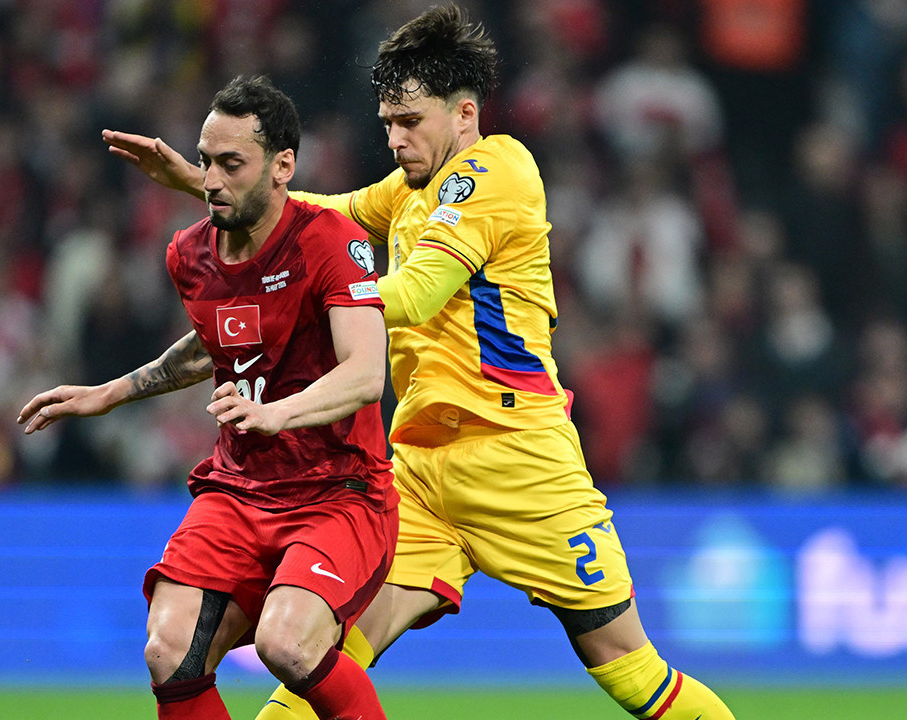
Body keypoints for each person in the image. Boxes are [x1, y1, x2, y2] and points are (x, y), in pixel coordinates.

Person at [102, 5, 736, 719]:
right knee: (316, 653)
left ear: (464, 113)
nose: (396, 138)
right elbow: (311, 210)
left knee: (628, 672)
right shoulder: (406, 193)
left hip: (518, 459)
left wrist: (303, 296)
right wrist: (204, 184)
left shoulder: (496, 170)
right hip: (418, 472)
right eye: (387, 123)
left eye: (410, 121)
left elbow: (417, 289)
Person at [19, 75, 398, 720]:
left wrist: (275, 413)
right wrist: (110, 394)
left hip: (339, 491)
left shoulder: (331, 240)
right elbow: (216, 342)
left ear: (283, 167)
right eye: (203, 162)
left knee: (287, 644)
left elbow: (365, 372)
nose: (212, 181)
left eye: (231, 164)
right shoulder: (189, 254)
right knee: (169, 649)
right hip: (240, 489)